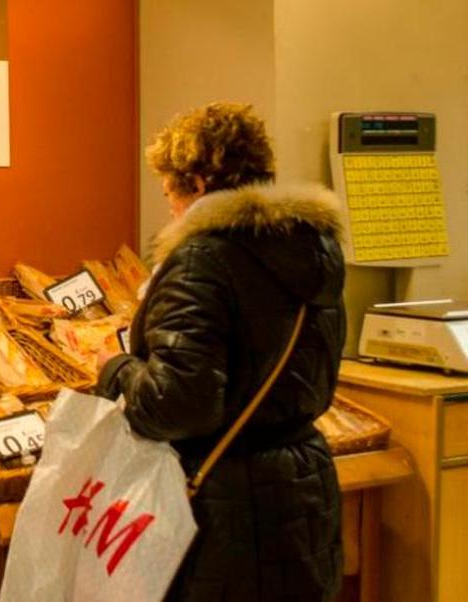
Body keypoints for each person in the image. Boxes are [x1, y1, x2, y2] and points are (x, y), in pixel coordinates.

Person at [97, 102, 345, 601]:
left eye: (170, 191)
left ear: (201, 181)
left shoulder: (202, 260)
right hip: (304, 484)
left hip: (228, 506)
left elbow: (180, 404)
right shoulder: (312, 248)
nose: (168, 206)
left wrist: (115, 368)